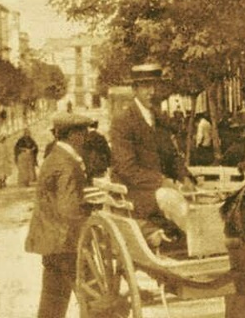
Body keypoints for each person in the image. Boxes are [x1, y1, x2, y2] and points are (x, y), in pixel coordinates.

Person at [110, 63, 195, 241]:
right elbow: (127, 169)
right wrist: (161, 181)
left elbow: (172, 157)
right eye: (146, 87)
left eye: (156, 86)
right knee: (171, 198)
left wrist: (184, 177)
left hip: (160, 190)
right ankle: (201, 241)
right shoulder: (123, 122)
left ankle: (205, 241)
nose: (152, 92)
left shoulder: (159, 118)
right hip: (134, 193)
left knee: (200, 199)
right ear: (135, 89)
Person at [25, 112, 94, 318]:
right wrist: (90, 216)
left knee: (52, 302)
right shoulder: (66, 164)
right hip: (66, 243)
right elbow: (67, 208)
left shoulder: (55, 157)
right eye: (82, 132)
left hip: (52, 240)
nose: (85, 137)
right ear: (72, 135)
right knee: (96, 299)